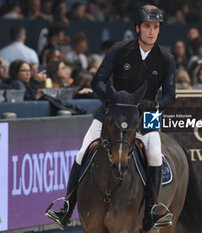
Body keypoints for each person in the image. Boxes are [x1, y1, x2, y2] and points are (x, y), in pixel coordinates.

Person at [45, 5, 176, 232]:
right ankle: (67, 205)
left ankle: (153, 209)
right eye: (147, 26)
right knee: (83, 149)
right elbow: (98, 81)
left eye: (155, 27)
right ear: (138, 28)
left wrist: (155, 104)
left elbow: (170, 96)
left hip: (148, 114)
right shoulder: (119, 49)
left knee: (154, 153)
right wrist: (113, 99)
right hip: (114, 110)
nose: (151, 32)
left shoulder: (166, 58)